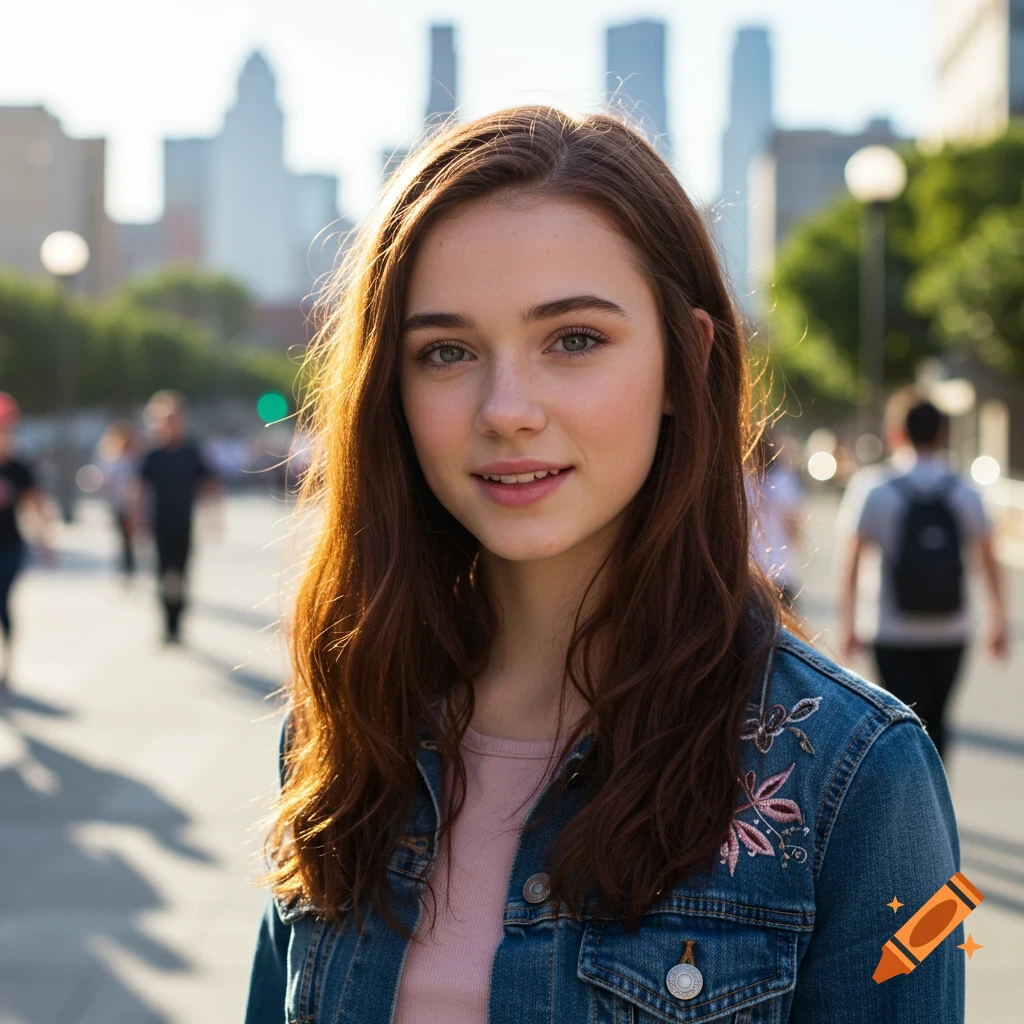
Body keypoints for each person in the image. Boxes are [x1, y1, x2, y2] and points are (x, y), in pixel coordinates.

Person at [243, 107, 964, 1023]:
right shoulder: (344, 725)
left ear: (684, 362)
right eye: (446, 352)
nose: (507, 409)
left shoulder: (857, 777)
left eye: (574, 339)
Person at [837, 389, 1008, 761]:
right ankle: (936, 808)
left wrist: (848, 623)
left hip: (890, 629)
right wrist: (998, 619)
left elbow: (851, 560)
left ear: (897, 432)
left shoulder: (874, 487)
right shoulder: (964, 489)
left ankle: (904, 813)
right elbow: (988, 556)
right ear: (943, 434)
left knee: (900, 728)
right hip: (952, 629)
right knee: (938, 722)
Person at [133, 391, 219, 644]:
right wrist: (137, 518)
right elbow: (140, 488)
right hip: (160, 523)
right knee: (163, 574)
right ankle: (167, 624)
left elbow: (208, 483)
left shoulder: (191, 451)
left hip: (184, 524)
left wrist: (214, 516)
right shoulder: (153, 455)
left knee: (181, 575)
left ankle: (178, 621)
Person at [0, 392, 55, 693]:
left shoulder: (19, 467)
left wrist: (45, 542)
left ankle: (6, 663)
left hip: (9, 546)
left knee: (2, 603)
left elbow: (37, 506)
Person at [747, 430, 805, 609]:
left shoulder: (740, 479)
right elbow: (793, 530)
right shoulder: (784, 480)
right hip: (779, 570)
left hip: (749, 573)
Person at [96, 418, 142, 582]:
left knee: (130, 538)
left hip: (132, 504)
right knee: (123, 538)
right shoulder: (112, 458)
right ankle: (126, 568)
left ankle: (129, 568)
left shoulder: (134, 459)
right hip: (118, 503)